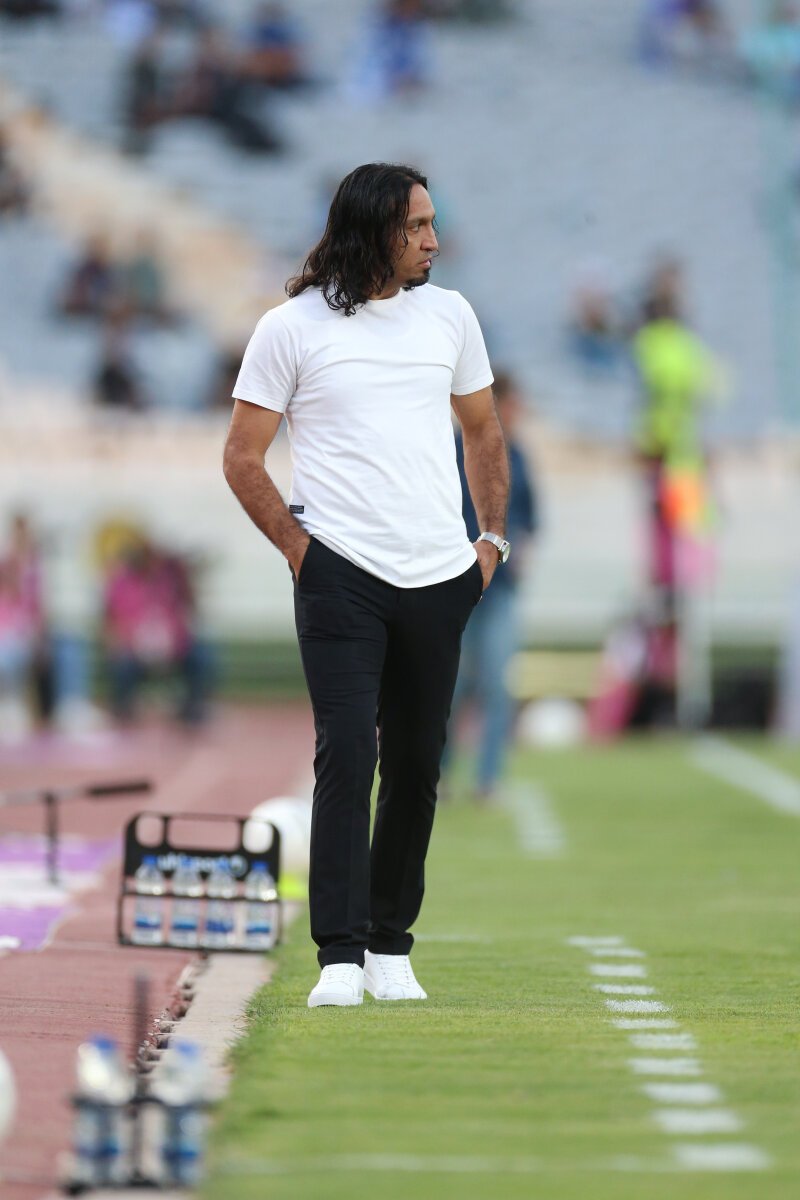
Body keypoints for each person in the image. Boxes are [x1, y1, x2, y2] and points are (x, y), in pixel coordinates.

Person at [224, 162, 509, 1007]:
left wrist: (489, 542)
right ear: (372, 230)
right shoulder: (290, 328)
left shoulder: (451, 316)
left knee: (417, 765)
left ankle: (390, 946)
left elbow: (484, 431)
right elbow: (242, 458)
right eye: (417, 226)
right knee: (348, 753)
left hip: (440, 574)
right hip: (340, 573)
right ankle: (340, 958)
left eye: (432, 223)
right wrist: (301, 552)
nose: (433, 240)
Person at [445, 372, 539, 800]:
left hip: (499, 590)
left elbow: (531, 517)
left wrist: (522, 548)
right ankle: (439, 772)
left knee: (497, 685)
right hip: (452, 587)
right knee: (450, 686)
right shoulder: (447, 448)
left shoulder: (517, 455)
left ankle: (488, 778)